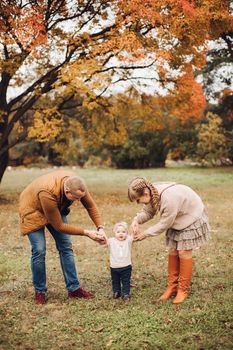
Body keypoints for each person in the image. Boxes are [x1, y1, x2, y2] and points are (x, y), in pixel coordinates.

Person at [19, 170, 107, 305]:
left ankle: (74, 289)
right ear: (66, 191)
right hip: (32, 209)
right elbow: (59, 226)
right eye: (76, 198)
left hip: (55, 206)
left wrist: (100, 227)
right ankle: (40, 291)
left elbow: (90, 206)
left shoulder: (77, 185)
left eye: (80, 198)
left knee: (66, 246)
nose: (78, 201)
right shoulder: (47, 193)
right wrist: (86, 232)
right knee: (39, 250)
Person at [128, 177, 211, 304]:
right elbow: (148, 212)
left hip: (190, 215)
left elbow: (164, 223)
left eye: (138, 200)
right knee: (173, 250)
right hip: (177, 216)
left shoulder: (169, 199)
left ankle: (182, 290)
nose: (138, 203)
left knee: (183, 252)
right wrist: (136, 221)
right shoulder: (151, 191)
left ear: (145, 194)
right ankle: (172, 286)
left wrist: (145, 234)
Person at [107, 222, 133, 302]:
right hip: (114, 267)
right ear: (114, 232)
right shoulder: (111, 241)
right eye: (118, 232)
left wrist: (134, 227)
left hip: (126, 266)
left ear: (127, 233)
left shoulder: (128, 240)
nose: (121, 234)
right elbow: (102, 241)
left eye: (123, 232)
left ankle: (125, 293)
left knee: (126, 281)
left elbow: (133, 234)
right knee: (115, 280)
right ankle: (116, 292)